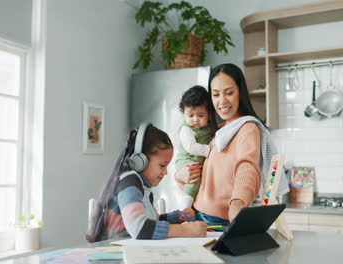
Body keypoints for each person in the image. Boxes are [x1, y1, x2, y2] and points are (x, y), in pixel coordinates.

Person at [175, 63, 289, 226]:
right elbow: (203, 175)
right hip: (197, 213)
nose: (222, 101)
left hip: (216, 220)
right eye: (215, 95)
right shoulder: (219, 131)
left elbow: (247, 167)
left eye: (229, 93)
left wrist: (238, 202)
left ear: (240, 93)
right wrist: (179, 176)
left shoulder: (247, 129)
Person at [86, 123, 207, 242]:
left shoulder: (141, 186)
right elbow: (139, 228)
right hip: (114, 254)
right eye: (162, 165)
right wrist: (183, 230)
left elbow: (150, 221)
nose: (165, 172)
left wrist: (176, 217)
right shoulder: (129, 181)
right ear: (140, 160)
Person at [175, 86, 215, 209]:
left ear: (208, 113)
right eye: (191, 115)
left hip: (197, 159)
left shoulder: (209, 125)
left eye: (201, 115)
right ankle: (185, 206)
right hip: (187, 159)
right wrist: (209, 150)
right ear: (183, 112)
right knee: (194, 178)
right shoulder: (186, 129)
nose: (195, 119)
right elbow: (191, 147)